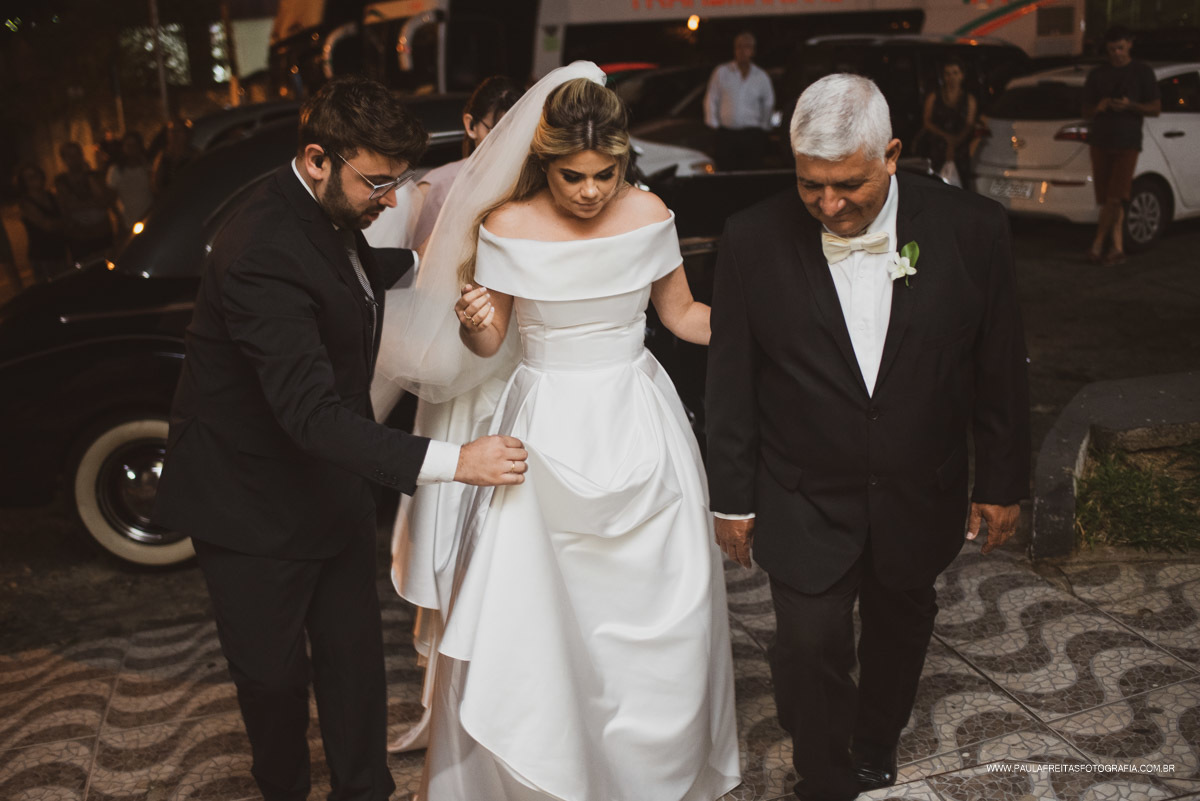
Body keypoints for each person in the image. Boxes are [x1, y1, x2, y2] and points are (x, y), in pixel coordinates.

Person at [152, 75, 529, 801]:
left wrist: (446, 261)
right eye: (377, 183)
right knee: (273, 681)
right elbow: (311, 415)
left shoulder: (328, 212)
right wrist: (458, 461)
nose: (389, 201)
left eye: (398, 182)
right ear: (317, 158)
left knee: (354, 666)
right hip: (250, 504)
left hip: (330, 489)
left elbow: (356, 273)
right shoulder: (260, 248)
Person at [379, 62, 741, 801]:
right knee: (538, 616)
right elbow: (490, 344)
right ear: (543, 162)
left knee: (658, 606)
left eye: (605, 174)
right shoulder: (506, 225)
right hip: (541, 433)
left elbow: (682, 317)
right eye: (573, 176)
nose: (590, 191)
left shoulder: (650, 213)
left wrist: (766, 326)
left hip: (639, 423)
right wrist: (473, 322)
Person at [706, 74, 1030, 801]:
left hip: (921, 485)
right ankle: (822, 776)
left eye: (848, 184)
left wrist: (1002, 481)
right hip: (801, 490)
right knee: (807, 643)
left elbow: (999, 364)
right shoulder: (751, 238)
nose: (828, 204)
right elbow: (731, 379)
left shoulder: (973, 230)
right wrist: (731, 498)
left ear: (891, 154)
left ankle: (876, 738)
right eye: (810, 184)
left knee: (901, 621)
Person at [369, 73, 523, 755]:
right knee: (458, 542)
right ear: (472, 124)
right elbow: (403, 284)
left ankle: (501, 708)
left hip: (512, 378)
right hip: (461, 382)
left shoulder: (531, 191)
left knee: (504, 549)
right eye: (498, 125)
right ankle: (449, 713)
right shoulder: (436, 189)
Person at [1083, 26, 1161, 265]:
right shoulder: (1098, 74)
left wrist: (1130, 106)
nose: (1117, 53)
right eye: (1112, 50)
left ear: (1130, 44)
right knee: (1108, 199)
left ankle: (1097, 243)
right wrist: (1100, 106)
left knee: (1116, 197)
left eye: (1120, 48)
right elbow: (1085, 111)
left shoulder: (1142, 72)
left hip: (1128, 142)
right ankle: (1117, 248)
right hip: (1100, 141)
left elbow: (1155, 108)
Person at [703, 32, 775, 170]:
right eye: (739, 47)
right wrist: (714, 124)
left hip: (752, 135)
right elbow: (711, 98)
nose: (742, 51)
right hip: (727, 134)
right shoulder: (722, 72)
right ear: (734, 49)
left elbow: (768, 103)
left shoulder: (761, 76)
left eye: (747, 47)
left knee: (752, 171)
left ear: (753, 51)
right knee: (727, 171)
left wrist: (763, 127)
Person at [915, 57, 977, 188]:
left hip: (960, 151)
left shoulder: (969, 99)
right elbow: (927, 122)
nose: (951, 78)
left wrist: (954, 143)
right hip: (937, 150)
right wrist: (947, 138)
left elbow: (969, 124)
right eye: (947, 74)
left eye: (955, 73)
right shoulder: (934, 97)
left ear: (962, 76)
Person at [54, 141, 114, 263]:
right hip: (79, 236)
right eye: (70, 156)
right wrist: (93, 203)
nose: (75, 159)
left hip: (102, 232)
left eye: (77, 155)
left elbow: (104, 201)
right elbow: (70, 205)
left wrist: (88, 175)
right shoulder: (61, 181)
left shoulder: (95, 175)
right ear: (64, 159)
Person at [16, 162, 70, 283]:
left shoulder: (50, 196)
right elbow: (47, 225)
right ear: (24, 183)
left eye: (37, 174)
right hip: (42, 256)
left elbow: (65, 213)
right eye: (30, 177)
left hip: (59, 250)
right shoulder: (26, 203)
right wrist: (65, 221)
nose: (36, 178)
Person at [107, 130, 155, 233]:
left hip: (149, 220)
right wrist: (120, 220)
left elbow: (155, 189)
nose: (132, 149)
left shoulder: (148, 167)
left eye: (135, 145)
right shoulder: (116, 170)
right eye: (128, 145)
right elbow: (111, 199)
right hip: (127, 222)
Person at [153, 118, 197, 195]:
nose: (175, 135)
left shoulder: (194, 155)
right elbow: (155, 183)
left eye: (178, 131)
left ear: (186, 133)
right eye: (172, 131)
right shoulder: (163, 156)